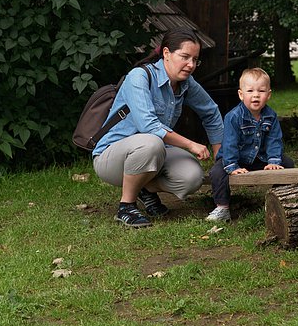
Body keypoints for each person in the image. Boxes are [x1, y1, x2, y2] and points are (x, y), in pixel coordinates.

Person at [92, 28, 224, 228]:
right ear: (166, 53)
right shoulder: (139, 76)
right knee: (151, 142)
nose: (191, 65)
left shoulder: (186, 83)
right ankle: (126, 207)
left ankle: (145, 188)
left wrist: (220, 159)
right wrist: (191, 145)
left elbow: (211, 112)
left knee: (192, 178)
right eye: (185, 57)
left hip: (153, 152)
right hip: (111, 157)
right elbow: (149, 126)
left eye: (195, 60)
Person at [206, 68, 294, 222]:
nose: (256, 95)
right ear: (241, 95)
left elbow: (274, 140)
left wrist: (273, 161)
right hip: (233, 158)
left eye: (261, 91)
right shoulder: (233, 117)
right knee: (217, 172)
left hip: (259, 158)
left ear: (269, 95)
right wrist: (232, 166)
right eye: (250, 91)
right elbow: (229, 143)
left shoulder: (270, 116)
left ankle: (279, 198)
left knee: (287, 163)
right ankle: (222, 207)